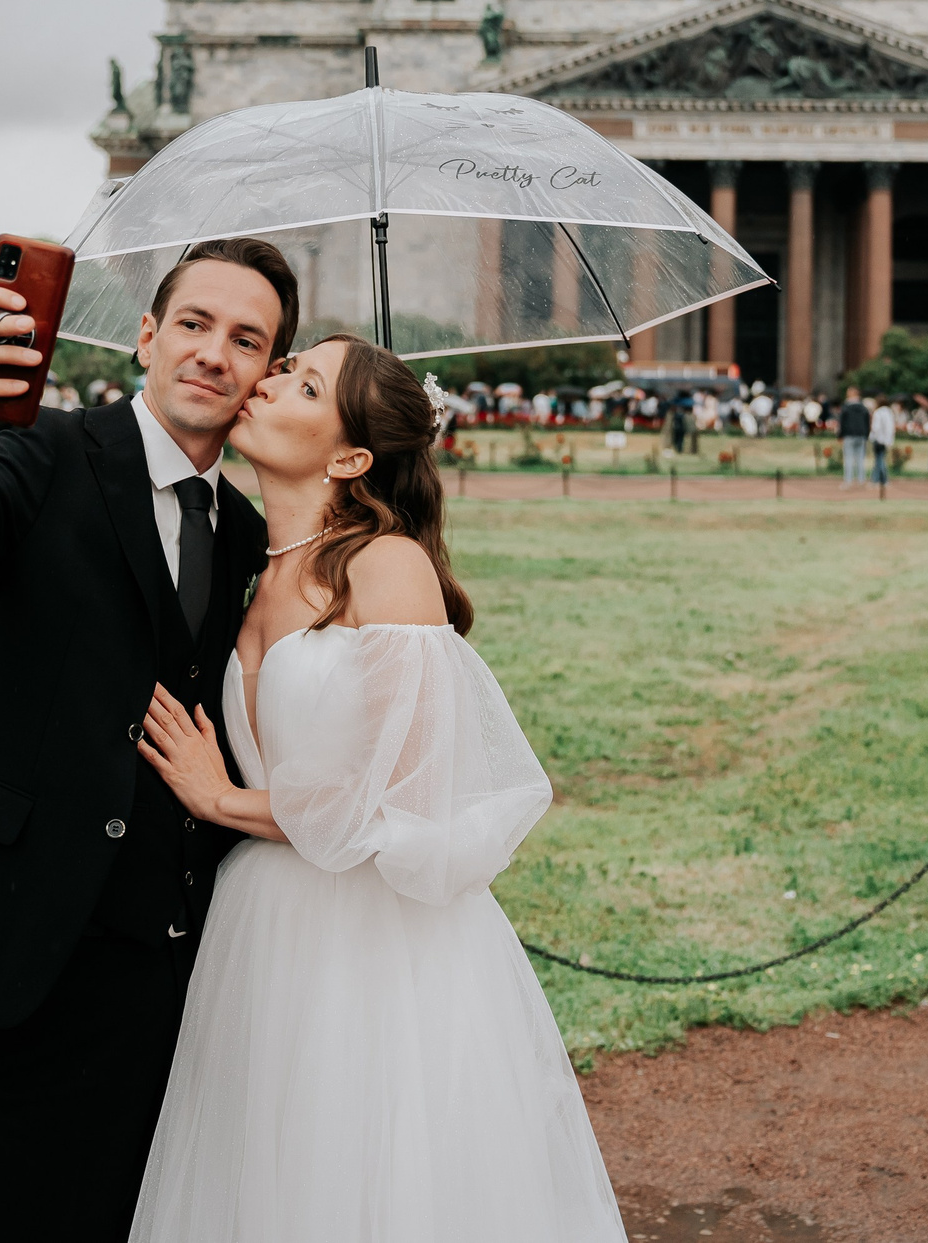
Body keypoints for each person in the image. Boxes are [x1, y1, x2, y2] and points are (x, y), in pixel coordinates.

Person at [126, 334, 623, 1243]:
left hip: (377, 936)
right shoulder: (250, 567)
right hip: (262, 924)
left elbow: (414, 791)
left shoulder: (385, 567)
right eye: (283, 367)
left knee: (376, 1176)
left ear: (352, 456)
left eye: (303, 381)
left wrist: (221, 798)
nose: (268, 380)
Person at [0, 237, 300, 1242]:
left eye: (245, 339)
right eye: (192, 324)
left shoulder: (244, 530)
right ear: (147, 335)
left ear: (265, 372)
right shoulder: (48, 451)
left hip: (191, 949)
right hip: (39, 931)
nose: (211, 354)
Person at [837, 385, 866, 488]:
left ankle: (848, 481)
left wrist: (840, 435)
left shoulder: (846, 407)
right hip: (861, 435)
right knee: (860, 459)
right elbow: (867, 421)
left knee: (848, 458)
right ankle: (861, 480)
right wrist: (866, 434)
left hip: (849, 434)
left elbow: (842, 422)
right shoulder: (863, 407)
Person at [868, 394, 895, 486]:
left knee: (879, 460)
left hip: (878, 438)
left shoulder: (878, 412)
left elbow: (876, 427)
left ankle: (881, 479)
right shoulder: (889, 412)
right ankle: (877, 478)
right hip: (886, 439)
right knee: (880, 459)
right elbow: (890, 427)